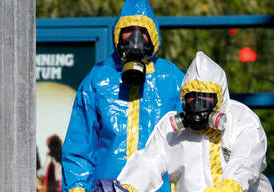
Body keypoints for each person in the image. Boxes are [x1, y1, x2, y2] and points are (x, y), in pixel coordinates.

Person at [61, 0, 185, 191]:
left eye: (143, 30)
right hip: (108, 186)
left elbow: (193, 143)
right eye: (129, 29)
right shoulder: (98, 80)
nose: (136, 38)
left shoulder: (172, 79)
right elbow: (80, 145)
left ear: (153, 35)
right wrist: (77, 188)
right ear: (118, 33)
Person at [115, 51, 273, 192]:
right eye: (191, 99)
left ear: (220, 99)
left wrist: (230, 187)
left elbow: (246, 163)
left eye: (205, 100)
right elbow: (149, 162)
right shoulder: (170, 128)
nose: (197, 108)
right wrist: (128, 187)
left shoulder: (242, 120)